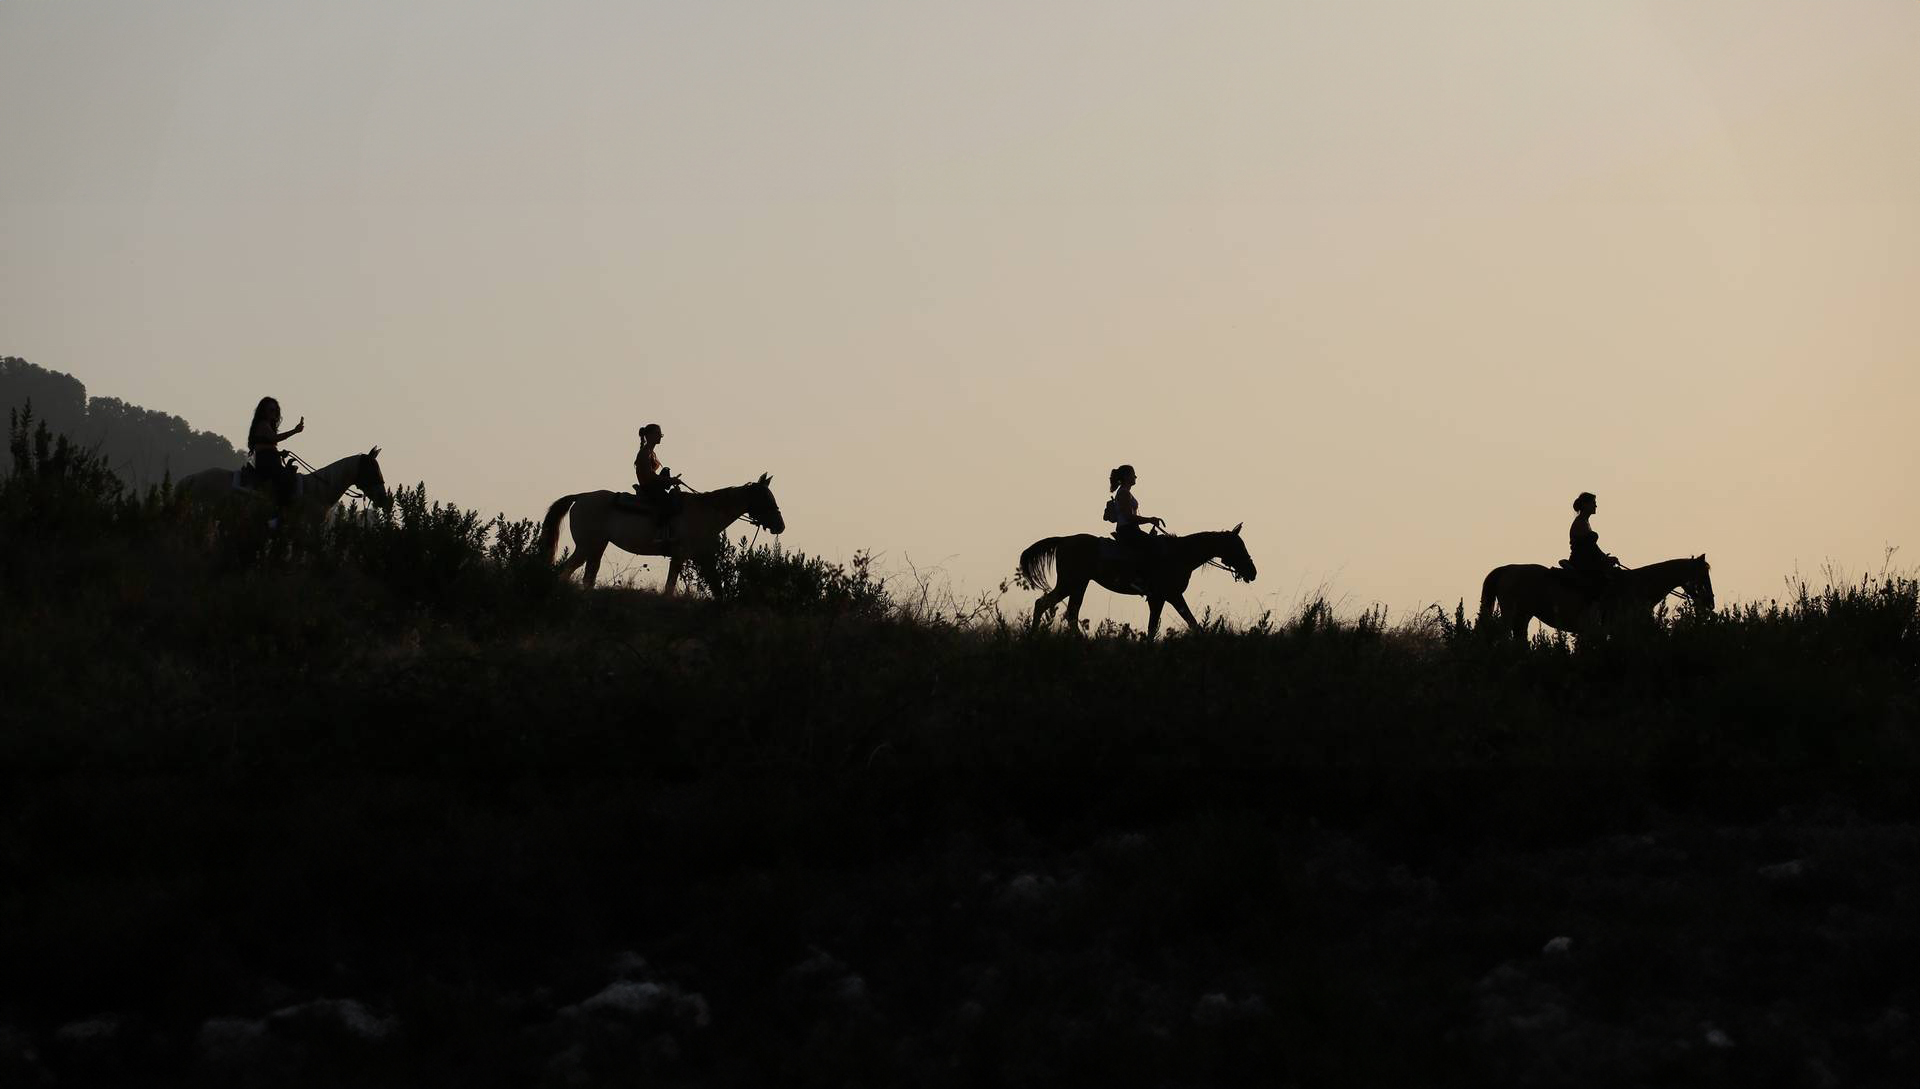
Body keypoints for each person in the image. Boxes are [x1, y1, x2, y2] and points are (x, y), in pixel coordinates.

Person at [247, 397, 304, 510]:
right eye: (271, 410)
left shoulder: (265, 425)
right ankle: (281, 511)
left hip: (270, 460)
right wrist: (295, 431)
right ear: (264, 411)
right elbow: (274, 439)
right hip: (266, 463)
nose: (274, 412)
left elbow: (268, 445)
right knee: (286, 480)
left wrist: (278, 453)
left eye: (276, 410)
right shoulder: (263, 424)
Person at [1565, 491, 1622, 593]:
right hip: (1582, 562)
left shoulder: (1584, 522)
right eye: (1593, 503)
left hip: (1586, 560)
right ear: (1585, 505)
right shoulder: (1581, 523)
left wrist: (1605, 558)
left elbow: (1592, 547)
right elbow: (1590, 548)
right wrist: (1605, 558)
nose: (1596, 505)